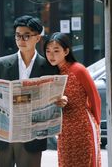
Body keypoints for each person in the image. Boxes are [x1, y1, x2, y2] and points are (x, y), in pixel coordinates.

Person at [0, 15, 59, 167]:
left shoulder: (49, 67)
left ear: (37, 37)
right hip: (5, 135)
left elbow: (54, 99)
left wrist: (60, 100)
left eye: (26, 36)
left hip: (32, 137)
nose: (21, 40)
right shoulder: (2, 64)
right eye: (18, 36)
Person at [44, 32, 101, 167]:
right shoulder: (50, 73)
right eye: (48, 51)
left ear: (66, 51)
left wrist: (97, 125)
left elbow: (95, 97)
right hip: (64, 130)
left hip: (83, 126)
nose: (51, 55)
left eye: (56, 51)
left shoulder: (78, 69)